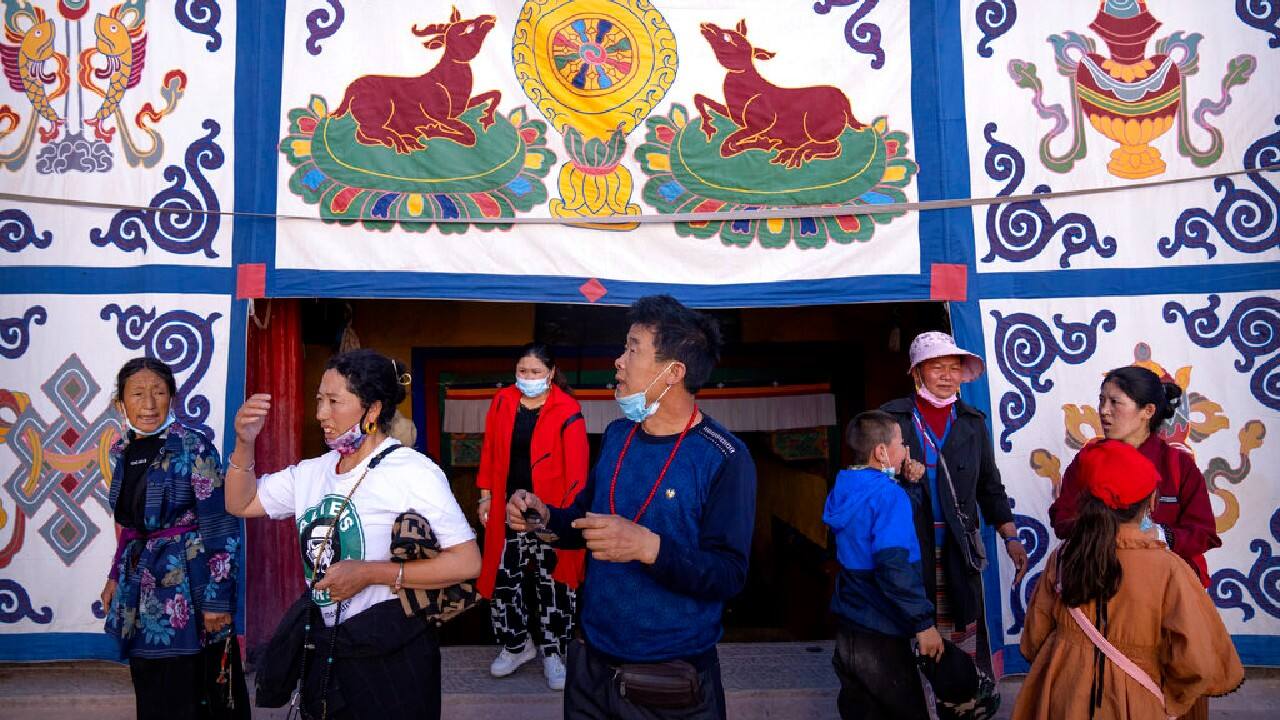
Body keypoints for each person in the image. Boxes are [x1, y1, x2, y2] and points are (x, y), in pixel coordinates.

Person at [508, 295, 756, 720]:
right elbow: (587, 520)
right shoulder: (619, 434)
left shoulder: (725, 457)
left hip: (669, 679)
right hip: (590, 663)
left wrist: (648, 547)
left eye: (632, 348)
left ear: (673, 372)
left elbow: (728, 574)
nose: (619, 361)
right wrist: (545, 517)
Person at [225, 349, 481, 720]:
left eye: (334, 401)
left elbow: (467, 560)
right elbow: (241, 502)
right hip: (329, 645)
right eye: (318, 399)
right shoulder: (313, 472)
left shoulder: (411, 470)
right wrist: (244, 441)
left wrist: (370, 572)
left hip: (391, 651)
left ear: (372, 410)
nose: (320, 414)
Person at [1013, 440, 1243, 719]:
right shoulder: (1169, 569)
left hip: (1063, 697)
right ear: (1151, 502)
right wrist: (1171, 703)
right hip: (1137, 701)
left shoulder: (1062, 559)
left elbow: (1033, 640)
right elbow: (1200, 664)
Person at [101, 357, 250, 719]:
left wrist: (218, 599)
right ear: (121, 403)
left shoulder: (192, 447)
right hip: (141, 585)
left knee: (194, 686)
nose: (149, 404)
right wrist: (114, 575)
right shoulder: (121, 451)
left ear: (173, 397)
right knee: (152, 685)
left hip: (189, 584)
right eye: (137, 394)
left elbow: (221, 525)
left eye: (159, 392)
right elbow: (131, 526)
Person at [880, 332, 1027, 688]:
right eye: (936, 368)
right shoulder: (891, 418)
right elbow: (871, 479)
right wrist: (898, 477)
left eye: (953, 368)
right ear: (917, 373)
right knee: (908, 639)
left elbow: (989, 485)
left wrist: (1010, 536)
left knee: (955, 644)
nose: (947, 376)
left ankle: (955, 705)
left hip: (957, 549)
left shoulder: (972, 422)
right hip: (908, 547)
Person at [476, 343, 588, 689]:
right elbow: (491, 449)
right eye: (522, 371)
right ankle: (517, 644)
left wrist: (564, 517)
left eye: (535, 372)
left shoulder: (568, 409)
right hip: (507, 510)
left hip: (549, 511)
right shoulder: (503, 401)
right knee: (503, 577)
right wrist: (486, 496)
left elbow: (578, 471)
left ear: (551, 373)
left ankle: (554, 651)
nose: (527, 378)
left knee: (552, 582)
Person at [1049, 365, 1219, 586]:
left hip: (1165, 587)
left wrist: (1157, 535)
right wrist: (1104, 532)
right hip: (1101, 583)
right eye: (1101, 400)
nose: (1103, 410)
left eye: (1115, 402)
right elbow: (1062, 519)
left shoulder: (1178, 465)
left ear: (1148, 411)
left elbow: (1203, 533)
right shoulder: (1088, 460)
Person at [825, 410, 944, 720]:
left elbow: (876, 518)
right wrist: (923, 623)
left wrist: (909, 487)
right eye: (902, 443)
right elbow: (893, 564)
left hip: (850, 628)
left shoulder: (844, 487)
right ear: (881, 451)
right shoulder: (889, 496)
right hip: (882, 633)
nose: (906, 450)